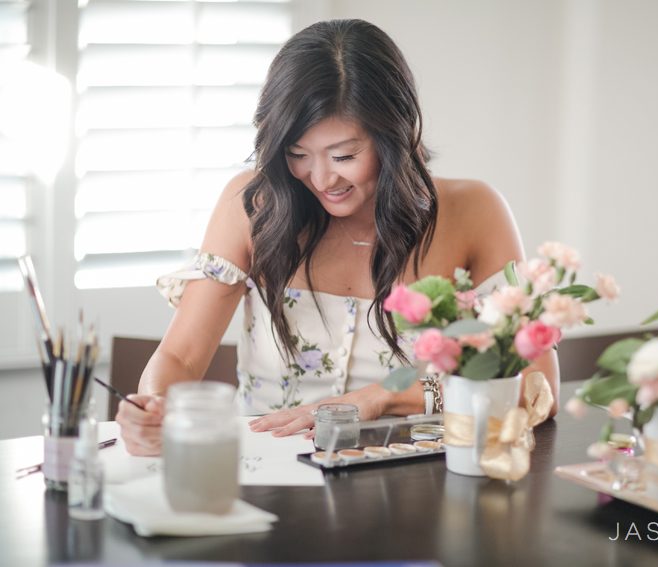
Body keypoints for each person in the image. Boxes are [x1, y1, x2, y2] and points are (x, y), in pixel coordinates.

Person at [116, 19, 559, 456]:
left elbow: (538, 390)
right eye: (297, 154)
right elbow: (181, 357)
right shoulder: (252, 204)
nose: (322, 178)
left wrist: (383, 395)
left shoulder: (473, 211)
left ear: (396, 135)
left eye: (344, 155)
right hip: (268, 470)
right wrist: (154, 405)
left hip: (412, 482)